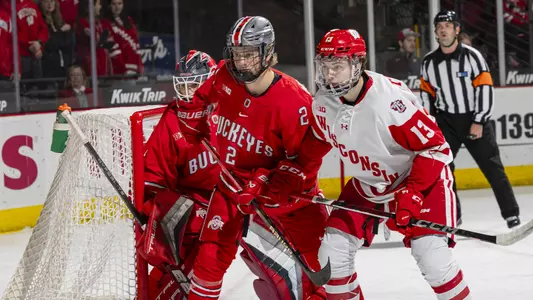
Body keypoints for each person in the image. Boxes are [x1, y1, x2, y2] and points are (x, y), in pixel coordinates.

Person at [293, 28, 471, 299]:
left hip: (416, 179)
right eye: (325, 65)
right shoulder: (323, 102)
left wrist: (412, 193)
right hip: (370, 184)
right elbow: (316, 141)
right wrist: (294, 175)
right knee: (333, 253)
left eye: (337, 66)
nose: (329, 74)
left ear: (357, 64)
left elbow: (434, 147)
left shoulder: (390, 100)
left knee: (432, 258)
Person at [187, 16, 327, 300]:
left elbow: (306, 161)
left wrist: (274, 184)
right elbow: (197, 103)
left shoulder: (295, 101)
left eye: (249, 54)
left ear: (267, 52)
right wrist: (192, 120)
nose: (242, 62)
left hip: (281, 199)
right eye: (237, 54)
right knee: (208, 263)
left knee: (321, 276)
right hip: (230, 188)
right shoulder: (222, 75)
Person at [420, 10, 520, 228]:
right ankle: (453, 215)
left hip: (475, 120)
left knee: (493, 168)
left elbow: (485, 89)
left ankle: (511, 214)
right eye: (439, 27)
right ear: (436, 33)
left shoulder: (472, 57)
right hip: (446, 122)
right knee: (443, 169)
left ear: (457, 30)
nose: (443, 29)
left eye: (448, 25)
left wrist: (479, 120)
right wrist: (431, 126)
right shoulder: (429, 62)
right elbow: (426, 95)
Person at [136, 50, 219, 300]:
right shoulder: (172, 120)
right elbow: (154, 175)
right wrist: (152, 207)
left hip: (230, 204)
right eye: (183, 85)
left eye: (194, 84)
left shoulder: (229, 109)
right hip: (194, 209)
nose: (187, 92)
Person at [76, 0, 125, 76]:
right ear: (91, 6)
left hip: (106, 66)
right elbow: (94, 42)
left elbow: (111, 43)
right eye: (98, 4)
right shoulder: (82, 23)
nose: (100, 7)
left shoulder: (104, 22)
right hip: (90, 66)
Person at [104, 0, 143, 75]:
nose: (117, 7)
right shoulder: (106, 22)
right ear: (109, 5)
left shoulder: (128, 20)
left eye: (119, 3)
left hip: (134, 67)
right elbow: (112, 48)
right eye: (114, 4)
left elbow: (136, 42)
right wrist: (122, 69)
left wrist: (140, 65)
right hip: (119, 69)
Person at [38, 0, 73, 79]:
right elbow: (49, 44)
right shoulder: (40, 20)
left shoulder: (58, 19)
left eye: (52, 1)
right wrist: (61, 31)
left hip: (62, 63)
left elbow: (67, 45)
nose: (50, 4)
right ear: (41, 3)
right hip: (48, 64)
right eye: (46, 1)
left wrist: (67, 33)